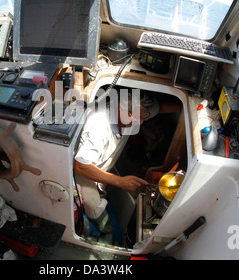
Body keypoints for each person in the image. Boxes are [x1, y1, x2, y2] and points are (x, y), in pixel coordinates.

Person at [74, 89, 181, 239]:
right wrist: (120, 181)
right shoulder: (99, 126)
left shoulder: (136, 112)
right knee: (95, 209)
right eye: (136, 117)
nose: (141, 123)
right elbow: (80, 166)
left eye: (144, 117)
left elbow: (161, 108)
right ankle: (104, 236)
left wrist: (189, 103)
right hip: (84, 173)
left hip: (102, 165)